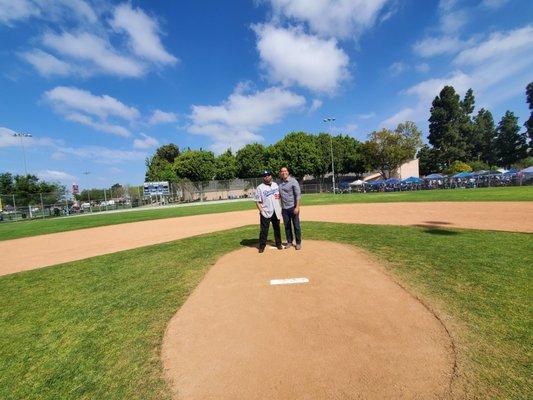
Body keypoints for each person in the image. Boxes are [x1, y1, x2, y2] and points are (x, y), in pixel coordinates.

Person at [254, 170, 283, 253]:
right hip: (266, 212)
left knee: (277, 228)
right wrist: (261, 211)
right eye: (265, 175)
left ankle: (278, 244)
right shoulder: (260, 187)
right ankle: (262, 246)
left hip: (276, 211)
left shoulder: (275, 185)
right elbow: (257, 201)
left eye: (268, 175)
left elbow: (279, 197)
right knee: (264, 230)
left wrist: (280, 208)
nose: (267, 176)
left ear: (271, 176)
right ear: (263, 177)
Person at [279, 166, 302, 250]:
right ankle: (289, 242)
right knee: (287, 226)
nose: (283, 172)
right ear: (280, 173)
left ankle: (298, 243)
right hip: (284, 209)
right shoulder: (280, 183)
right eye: (282, 171)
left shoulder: (293, 181)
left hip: (293, 207)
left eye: (285, 171)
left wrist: (297, 207)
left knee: (296, 226)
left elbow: (298, 195)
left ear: (288, 172)